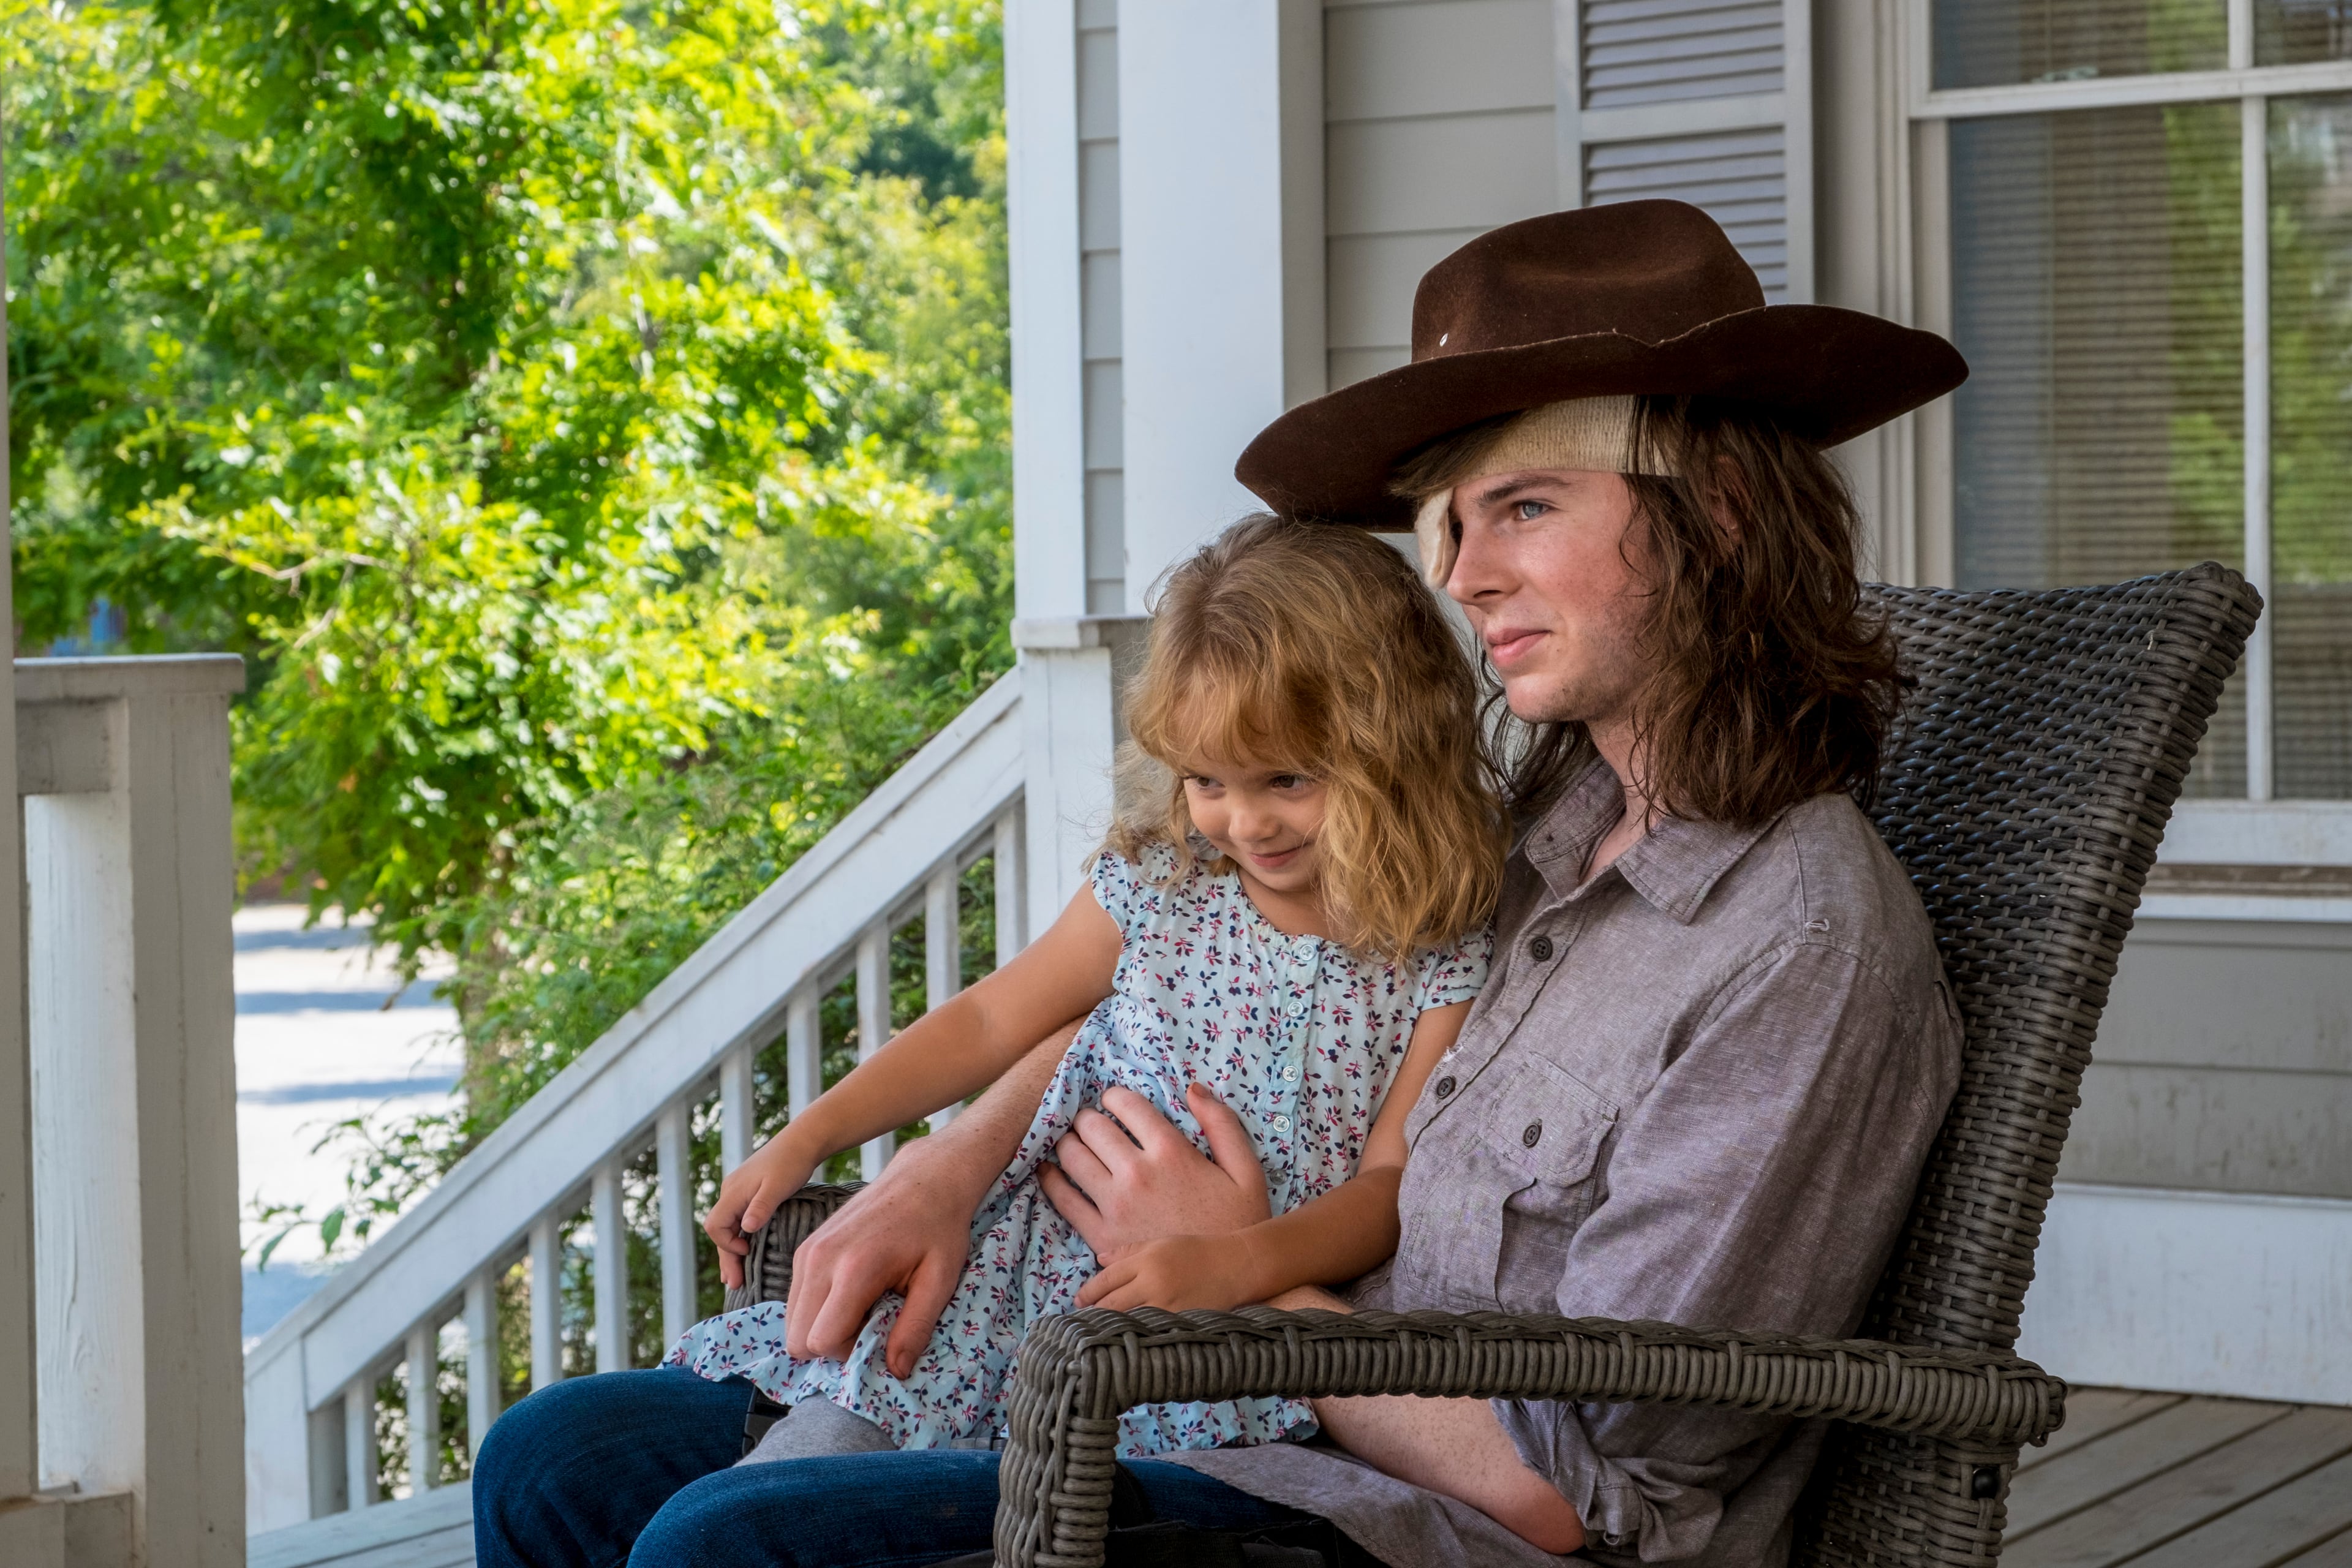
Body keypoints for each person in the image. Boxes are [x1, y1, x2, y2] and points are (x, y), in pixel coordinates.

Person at [475, 198, 1970, 1568]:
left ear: (1718, 510)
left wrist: (1232, 1281)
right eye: (1454, 522)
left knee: (725, 1546)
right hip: (1175, 1364)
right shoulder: (1518, 830)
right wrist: (952, 1164)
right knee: (553, 1461)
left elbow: (1582, 1494)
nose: (1463, 575)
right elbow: (1169, 997)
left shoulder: (1798, 946)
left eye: (1525, 506)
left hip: (1368, 1508)